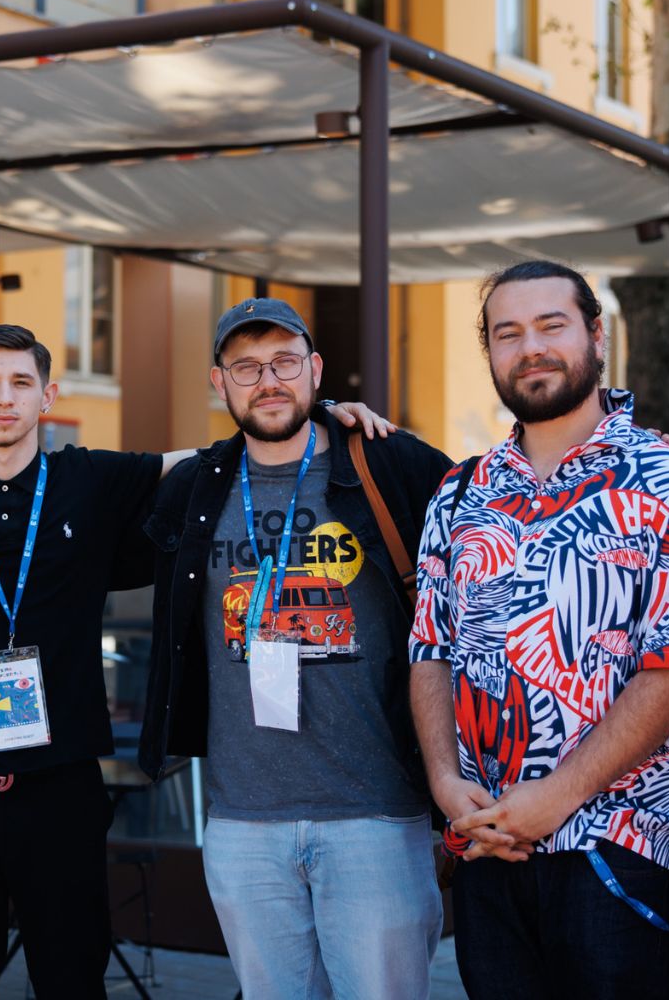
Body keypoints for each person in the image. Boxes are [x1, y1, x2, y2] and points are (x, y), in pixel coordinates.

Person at [0, 323, 390, 999]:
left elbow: (212, 457)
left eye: (22, 382)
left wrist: (321, 417)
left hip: (61, 790)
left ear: (48, 395)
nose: (5, 398)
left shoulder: (89, 479)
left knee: (72, 982)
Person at [409, 260, 669, 1000]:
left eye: (552, 326)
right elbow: (430, 651)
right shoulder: (459, 492)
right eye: (508, 333)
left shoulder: (667, 478)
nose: (531, 348)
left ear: (596, 335)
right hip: (489, 842)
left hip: (622, 841)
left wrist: (559, 796)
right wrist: (446, 783)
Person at [138, 297, 453, 1000]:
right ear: (219, 383)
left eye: (284, 363)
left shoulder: (388, 464)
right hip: (242, 823)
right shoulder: (193, 487)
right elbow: (74, 509)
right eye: (246, 368)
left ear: (315, 369)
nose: (268, 381)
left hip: (376, 816)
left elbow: (502, 522)